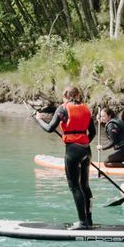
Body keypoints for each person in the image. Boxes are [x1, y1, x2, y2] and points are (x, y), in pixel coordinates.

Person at [36, 85, 96, 229]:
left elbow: (50, 128)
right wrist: (82, 143)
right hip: (86, 150)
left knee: (75, 187)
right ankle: (88, 221)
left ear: (66, 96)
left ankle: (82, 223)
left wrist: (39, 119)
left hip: (73, 151)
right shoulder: (86, 108)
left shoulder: (63, 108)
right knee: (85, 186)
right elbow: (92, 133)